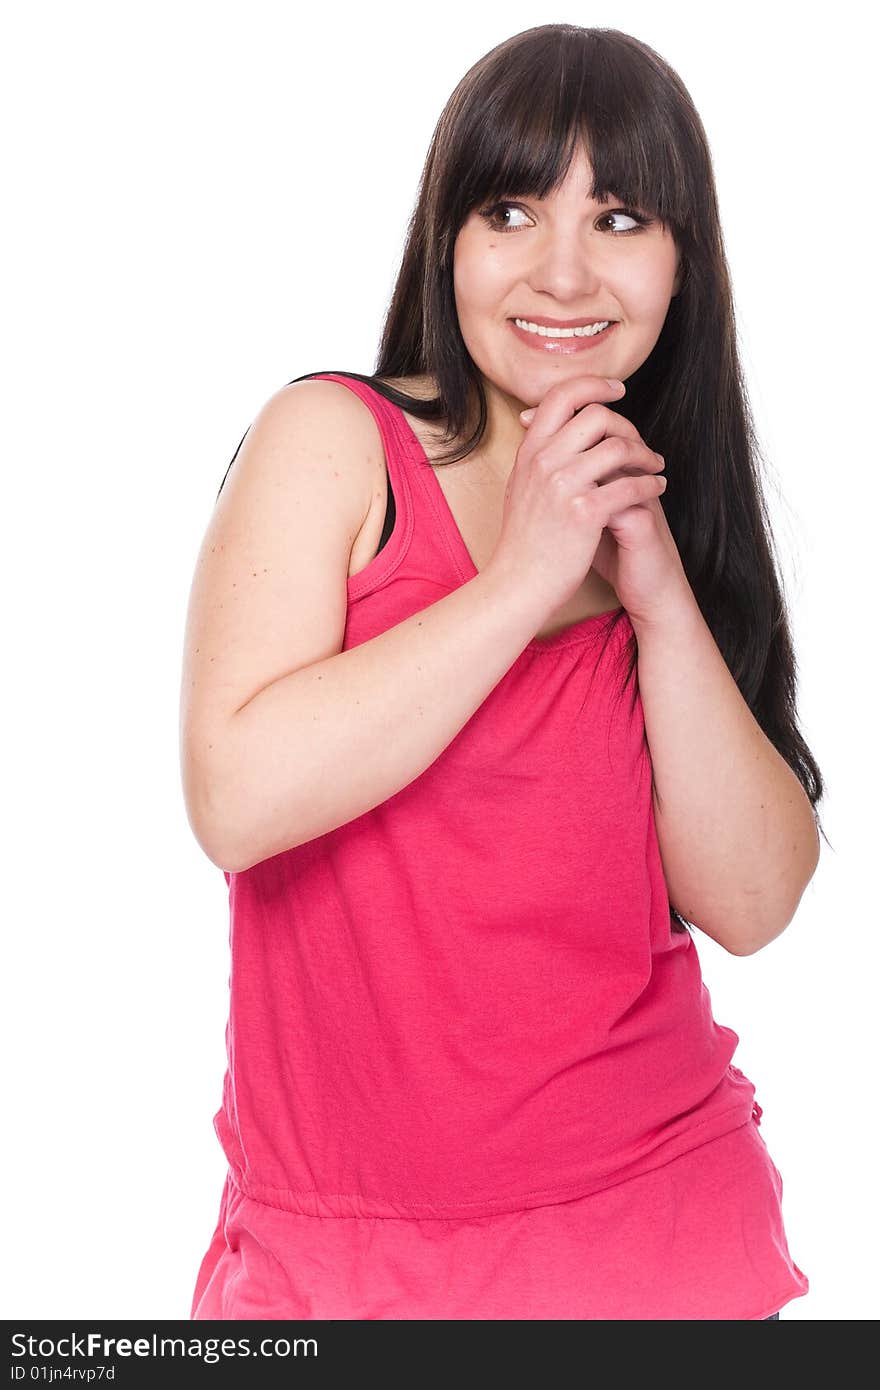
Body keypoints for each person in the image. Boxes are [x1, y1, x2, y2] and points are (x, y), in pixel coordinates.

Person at [180, 24, 823, 1320]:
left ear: (684, 264)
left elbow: (752, 900)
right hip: (350, 1266)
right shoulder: (337, 441)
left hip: (666, 1232)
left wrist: (654, 592)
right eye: (513, 208)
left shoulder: (667, 517)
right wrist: (527, 574)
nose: (565, 270)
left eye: (624, 215)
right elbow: (235, 798)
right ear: (450, 240)